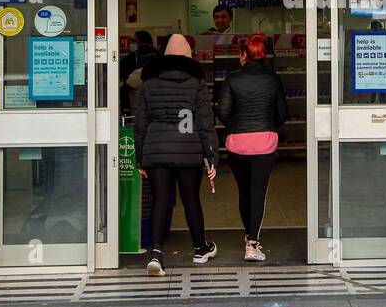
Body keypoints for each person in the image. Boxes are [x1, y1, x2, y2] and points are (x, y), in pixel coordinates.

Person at [133, 33, 218, 276]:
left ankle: (156, 254)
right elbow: (204, 122)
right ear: (188, 56)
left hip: (157, 148)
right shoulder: (196, 82)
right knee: (191, 198)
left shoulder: (148, 83)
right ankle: (200, 248)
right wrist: (211, 156)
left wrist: (140, 156)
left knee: (160, 199)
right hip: (189, 149)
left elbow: (141, 122)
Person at [216, 32, 288, 262]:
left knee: (244, 193)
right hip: (264, 143)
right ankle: (252, 245)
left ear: (244, 55)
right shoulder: (273, 79)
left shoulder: (232, 79)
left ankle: (248, 236)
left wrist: (237, 126)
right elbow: (282, 113)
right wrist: (267, 126)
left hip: (238, 144)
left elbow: (223, 111)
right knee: (258, 194)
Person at [118, 30, 159, 113]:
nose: (133, 43)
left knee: (123, 90)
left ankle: (126, 111)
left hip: (142, 75)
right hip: (151, 78)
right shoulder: (154, 50)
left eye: (134, 40)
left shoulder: (142, 50)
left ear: (140, 40)